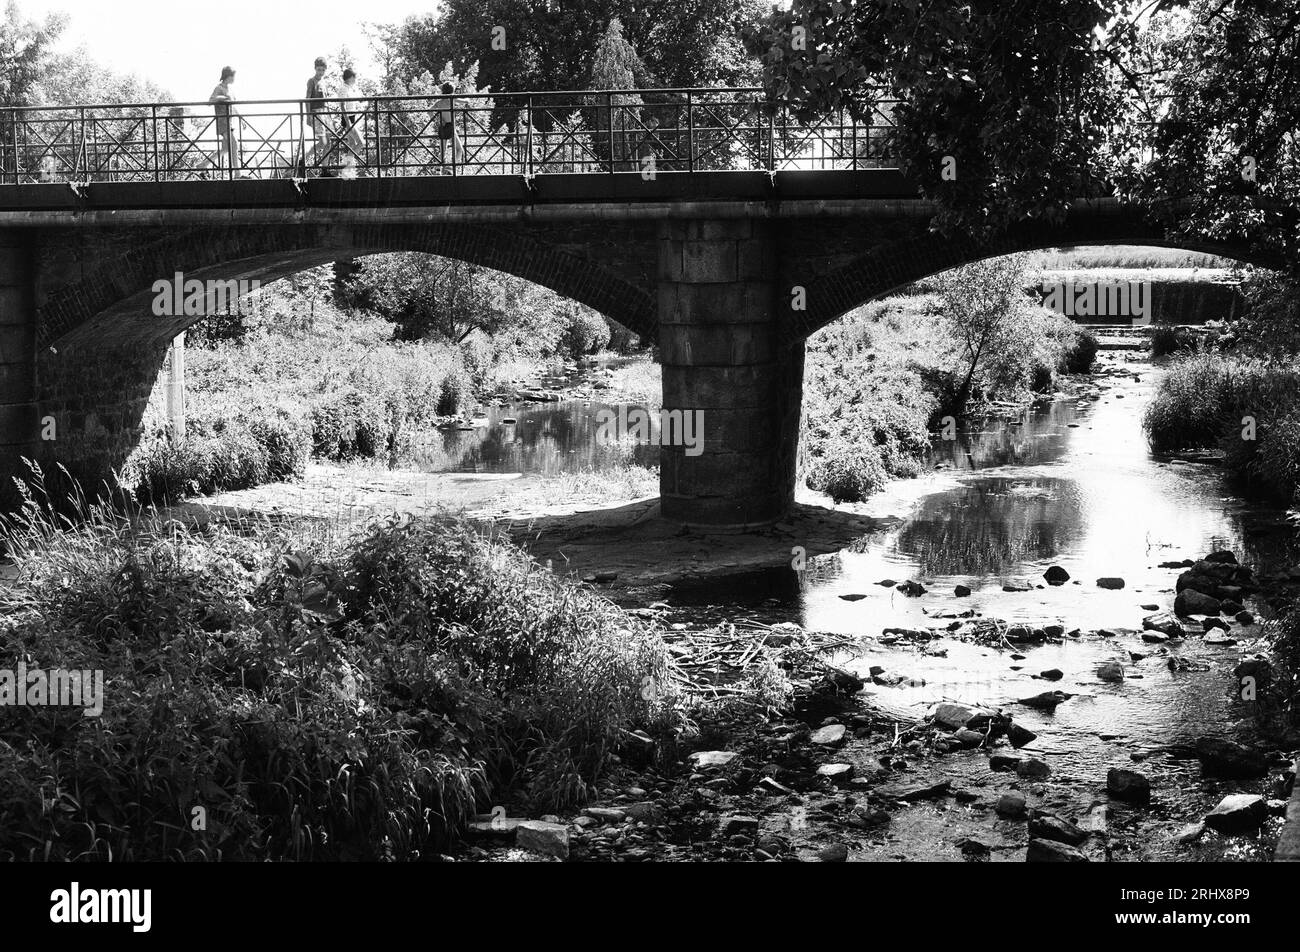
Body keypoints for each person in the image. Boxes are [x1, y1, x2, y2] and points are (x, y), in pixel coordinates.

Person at [208, 66, 241, 176]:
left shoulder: (230, 89)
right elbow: (211, 100)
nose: (234, 78)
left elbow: (233, 105)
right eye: (233, 76)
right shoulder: (219, 88)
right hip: (222, 121)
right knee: (234, 144)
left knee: (226, 148)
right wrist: (223, 98)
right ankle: (237, 174)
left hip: (229, 121)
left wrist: (241, 118)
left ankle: (203, 164)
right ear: (228, 76)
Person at [302, 57, 332, 174]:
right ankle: (303, 159)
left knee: (329, 142)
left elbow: (327, 101)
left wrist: (330, 116)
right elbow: (307, 99)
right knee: (322, 142)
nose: (321, 72)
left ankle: (325, 169)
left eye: (323, 70)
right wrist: (308, 115)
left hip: (326, 114)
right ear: (315, 69)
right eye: (319, 69)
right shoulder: (312, 81)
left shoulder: (324, 82)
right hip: (316, 113)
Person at [338, 68, 365, 171]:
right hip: (348, 118)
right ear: (350, 78)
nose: (355, 80)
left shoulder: (349, 88)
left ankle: (346, 167)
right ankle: (346, 166)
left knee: (353, 144)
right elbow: (342, 105)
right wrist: (348, 122)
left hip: (351, 118)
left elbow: (355, 102)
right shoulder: (344, 89)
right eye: (354, 77)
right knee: (361, 142)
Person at [436, 82, 463, 170]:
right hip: (450, 126)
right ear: (452, 91)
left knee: (442, 152)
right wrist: (468, 98)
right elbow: (465, 101)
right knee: (459, 150)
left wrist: (439, 120)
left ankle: (438, 170)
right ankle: (451, 169)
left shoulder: (439, 102)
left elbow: (429, 111)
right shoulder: (452, 99)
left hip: (442, 126)